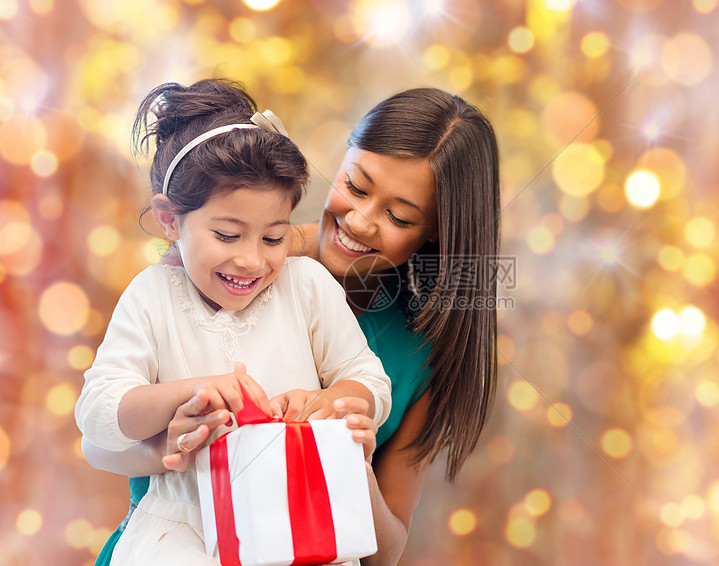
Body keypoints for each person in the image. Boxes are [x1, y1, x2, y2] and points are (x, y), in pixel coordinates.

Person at [84, 86, 501, 566]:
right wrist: (177, 440)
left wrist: (349, 451)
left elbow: (384, 552)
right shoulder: (209, 261)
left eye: (399, 216)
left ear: (436, 232)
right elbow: (99, 434)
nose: (361, 221)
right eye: (356, 186)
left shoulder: (407, 343)